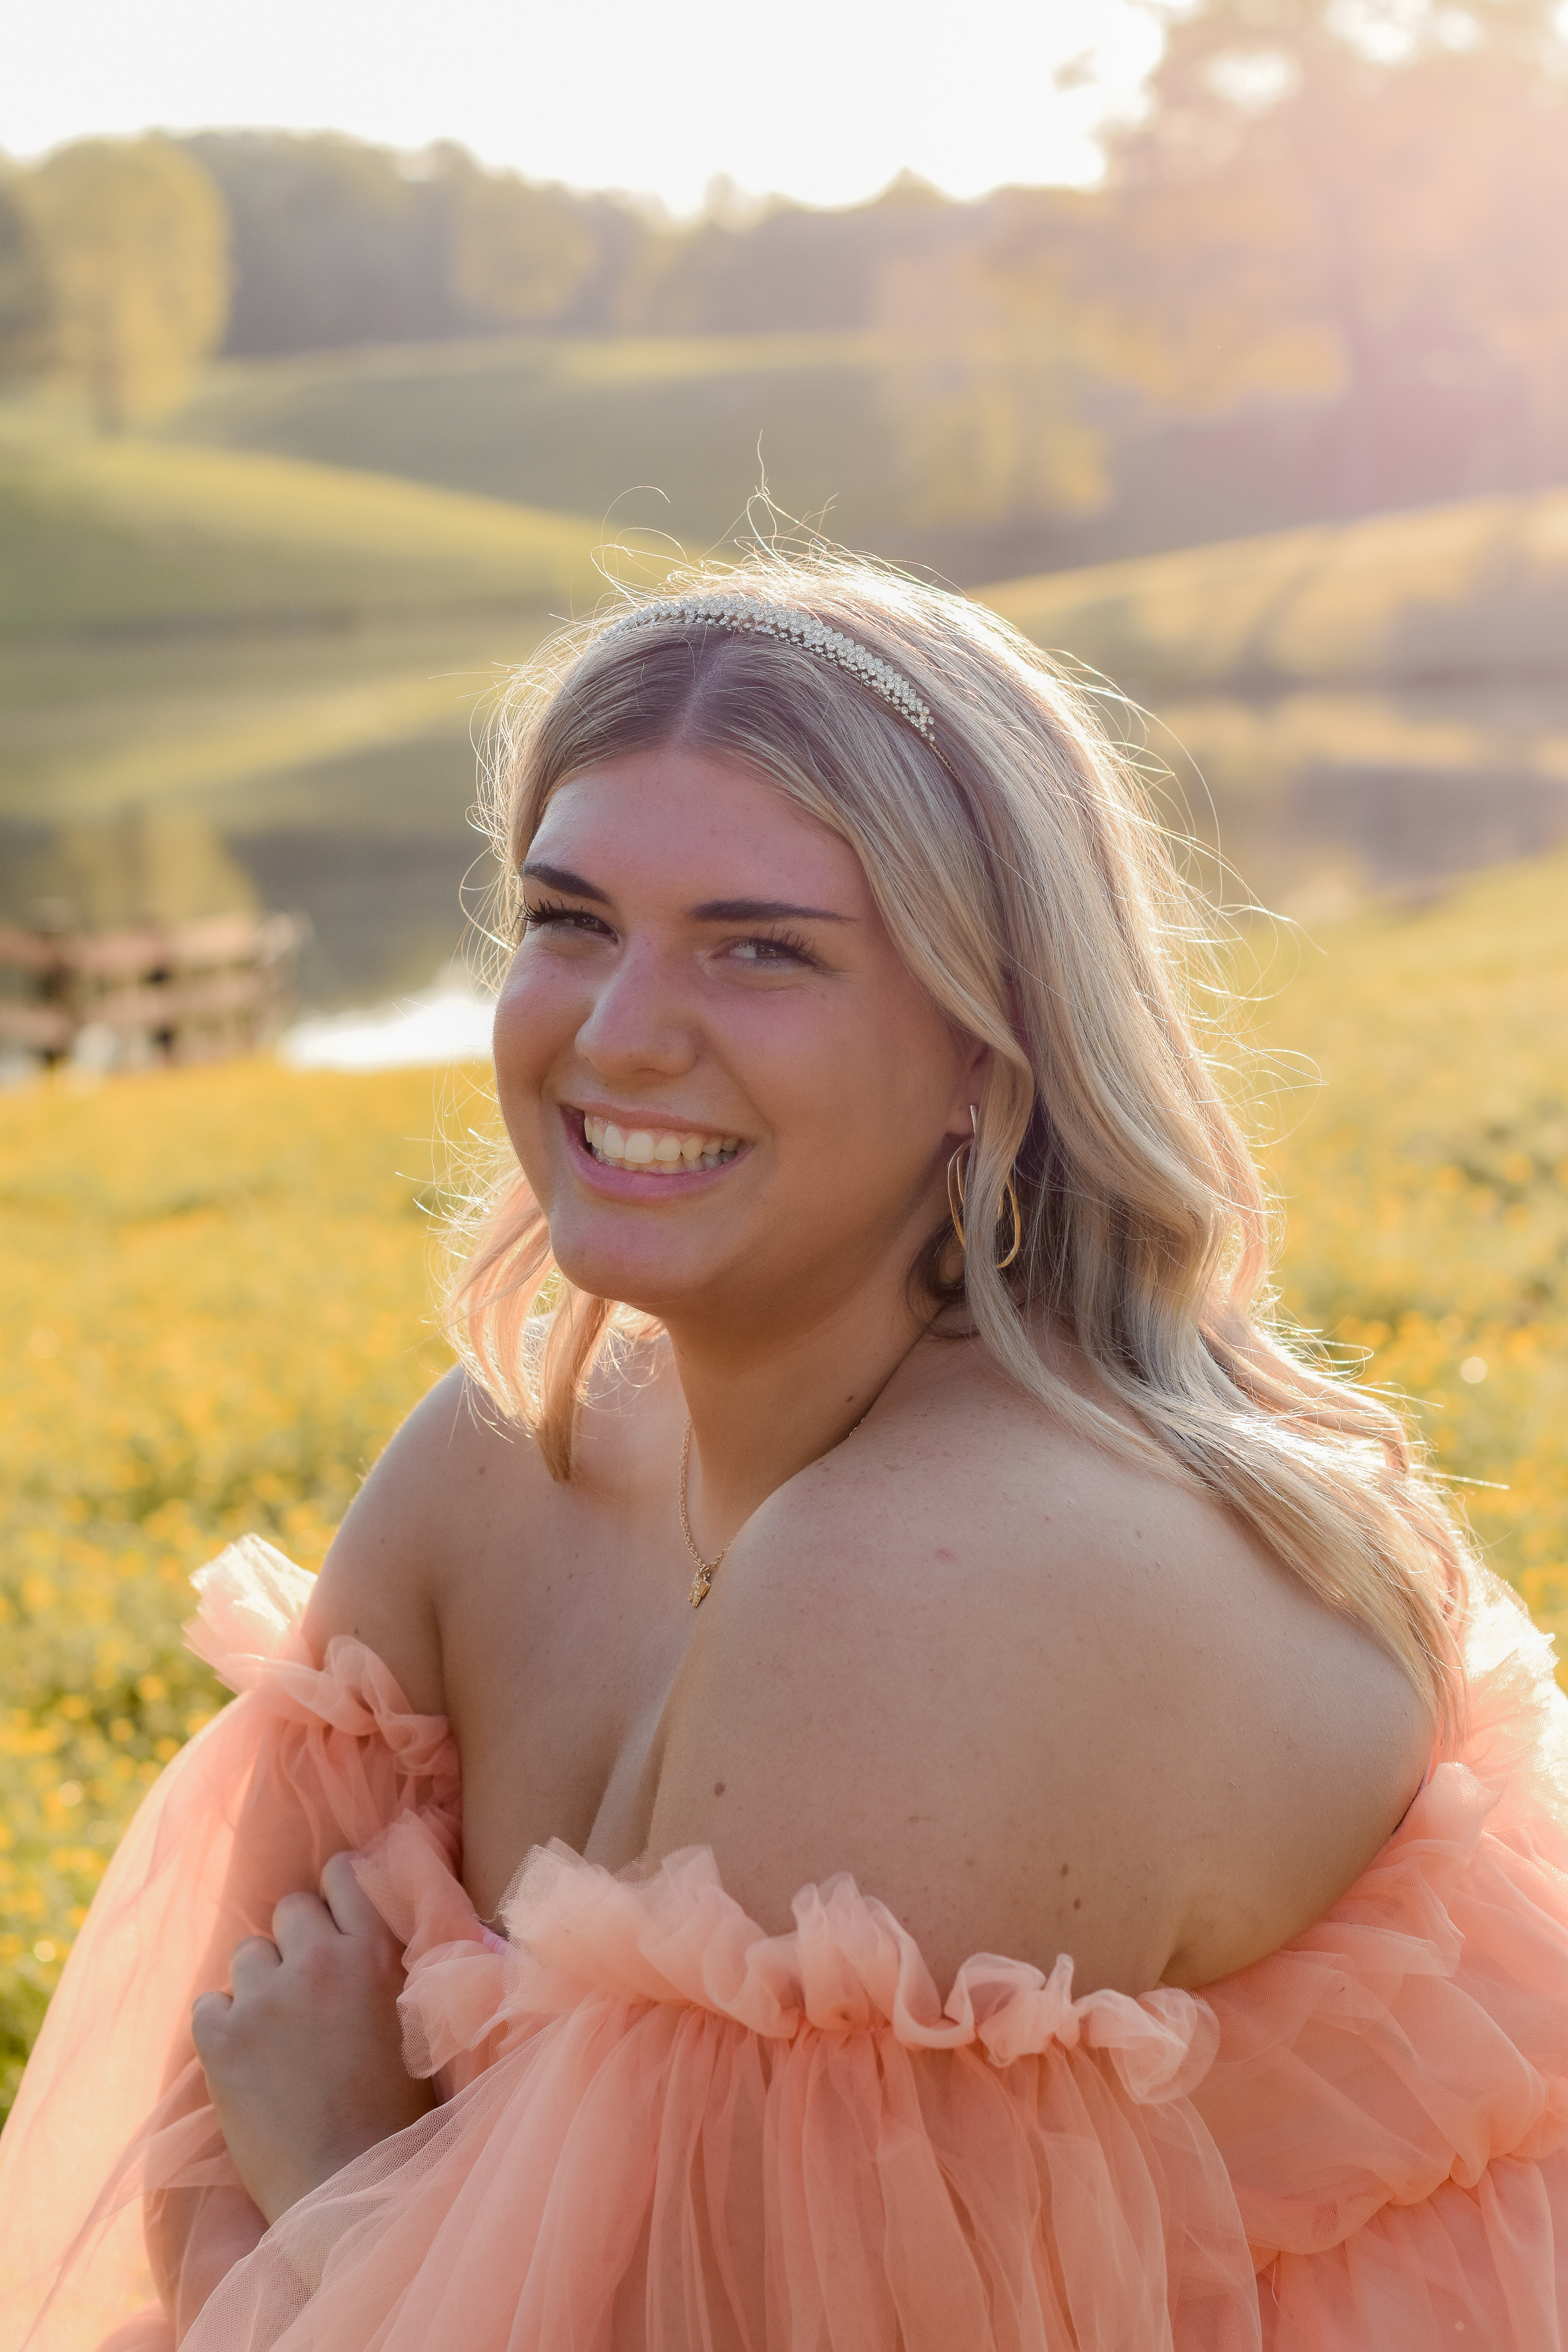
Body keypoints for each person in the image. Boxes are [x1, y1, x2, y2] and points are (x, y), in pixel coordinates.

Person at [3, 555, 1567, 2352]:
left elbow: (321, 2144)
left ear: (998, 1046)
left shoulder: (953, 1581)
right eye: (569, 920)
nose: (616, 1033)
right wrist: (325, 2187)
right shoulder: (507, 1458)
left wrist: (351, 2171)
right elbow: (211, 2121)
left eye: (761, 949)